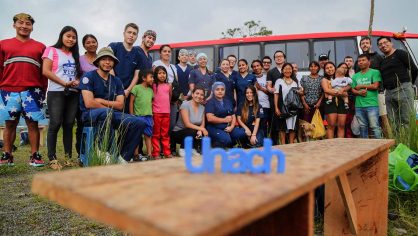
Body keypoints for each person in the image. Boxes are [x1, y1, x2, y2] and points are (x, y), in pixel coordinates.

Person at [78, 47, 145, 162]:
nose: (107, 62)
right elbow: (89, 103)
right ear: (98, 61)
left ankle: (122, 157)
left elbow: (120, 105)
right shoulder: (88, 77)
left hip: (111, 113)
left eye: (110, 60)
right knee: (107, 112)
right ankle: (104, 151)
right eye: (104, 59)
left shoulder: (117, 81)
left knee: (138, 122)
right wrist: (109, 107)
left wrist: (100, 100)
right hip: (90, 114)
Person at [0, 13, 47, 166]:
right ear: (14, 25)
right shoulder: (3, 44)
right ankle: (7, 155)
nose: (24, 26)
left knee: (32, 124)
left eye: (28, 24)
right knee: (9, 124)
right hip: (8, 90)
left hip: (33, 91)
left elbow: (44, 72)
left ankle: (35, 155)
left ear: (32, 27)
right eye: (20, 23)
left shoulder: (40, 47)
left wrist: (43, 91)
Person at [42, 26, 81, 169]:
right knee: (55, 123)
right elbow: (45, 71)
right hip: (56, 91)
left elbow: (77, 73)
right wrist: (64, 83)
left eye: (74, 37)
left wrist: (76, 80)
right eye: (68, 36)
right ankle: (52, 158)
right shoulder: (51, 50)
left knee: (69, 125)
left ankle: (68, 157)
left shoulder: (75, 55)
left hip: (73, 93)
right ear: (62, 36)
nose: (71, 39)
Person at [377, 36, 417, 130]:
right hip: (389, 93)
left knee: (407, 119)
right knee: (393, 120)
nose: (383, 45)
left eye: (385, 42)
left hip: (403, 89)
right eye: (380, 44)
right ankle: (398, 142)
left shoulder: (400, 53)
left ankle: (409, 143)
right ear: (379, 47)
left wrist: (409, 84)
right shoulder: (383, 61)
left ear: (391, 43)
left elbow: (414, 69)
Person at [108, 23, 141, 111]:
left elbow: (137, 75)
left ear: (137, 36)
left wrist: (128, 90)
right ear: (124, 33)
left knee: (124, 121)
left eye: (134, 33)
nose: (131, 35)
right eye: (129, 32)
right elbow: (108, 66)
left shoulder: (138, 53)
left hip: (127, 94)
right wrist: (118, 87)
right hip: (112, 90)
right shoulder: (114, 46)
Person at [76, 34, 98, 161]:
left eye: (93, 42)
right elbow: (76, 77)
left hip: (98, 95)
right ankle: (81, 153)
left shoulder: (101, 59)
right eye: (88, 42)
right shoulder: (80, 59)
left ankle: (96, 151)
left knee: (97, 125)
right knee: (82, 125)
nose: (91, 44)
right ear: (84, 45)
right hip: (83, 96)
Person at [205, 82, 246, 148]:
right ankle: (215, 143)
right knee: (226, 140)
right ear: (213, 91)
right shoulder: (210, 102)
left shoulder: (228, 101)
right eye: (217, 89)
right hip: (215, 128)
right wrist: (224, 120)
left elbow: (233, 116)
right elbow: (210, 118)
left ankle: (227, 142)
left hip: (227, 127)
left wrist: (232, 126)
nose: (220, 91)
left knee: (242, 133)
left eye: (222, 89)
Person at [351, 54, 382, 139]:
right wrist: (359, 93)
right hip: (359, 106)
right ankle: (365, 148)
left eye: (363, 60)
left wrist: (361, 86)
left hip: (372, 105)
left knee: (375, 127)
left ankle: (379, 148)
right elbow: (352, 90)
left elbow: (376, 86)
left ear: (369, 62)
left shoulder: (375, 72)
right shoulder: (355, 75)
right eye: (359, 61)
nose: (361, 62)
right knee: (362, 127)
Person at [171, 87, 208, 156]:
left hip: (193, 132)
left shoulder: (202, 107)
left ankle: (193, 148)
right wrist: (201, 129)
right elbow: (187, 124)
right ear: (193, 94)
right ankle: (183, 149)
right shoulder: (185, 105)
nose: (199, 96)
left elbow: (202, 124)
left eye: (201, 95)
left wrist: (200, 130)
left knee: (201, 131)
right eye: (197, 93)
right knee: (192, 129)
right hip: (179, 133)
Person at [321, 62, 350, 138]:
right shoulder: (324, 79)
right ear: (324, 70)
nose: (329, 69)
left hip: (342, 102)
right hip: (330, 102)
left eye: (331, 67)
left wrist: (343, 90)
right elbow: (326, 90)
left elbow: (349, 86)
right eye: (327, 68)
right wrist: (341, 92)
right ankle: (330, 146)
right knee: (331, 126)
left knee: (341, 125)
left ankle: (340, 146)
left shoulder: (342, 77)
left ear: (335, 67)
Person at [129, 70, 154, 160]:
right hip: (138, 116)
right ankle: (135, 155)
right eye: (151, 77)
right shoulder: (136, 88)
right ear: (143, 78)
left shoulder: (151, 90)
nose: (152, 79)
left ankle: (149, 154)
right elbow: (131, 102)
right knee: (137, 136)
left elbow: (151, 103)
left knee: (148, 136)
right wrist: (132, 115)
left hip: (148, 116)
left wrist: (152, 115)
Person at [274, 63, 300, 144]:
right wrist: (276, 107)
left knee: (292, 127)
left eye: (289, 69)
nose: (287, 70)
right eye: (285, 69)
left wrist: (301, 91)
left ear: (292, 71)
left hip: (293, 108)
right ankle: (283, 145)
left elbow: (299, 92)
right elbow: (276, 94)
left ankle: (291, 144)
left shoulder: (295, 82)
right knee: (282, 128)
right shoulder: (279, 81)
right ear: (282, 70)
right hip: (282, 108)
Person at [151, 66, 172, 159]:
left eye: (164, 73)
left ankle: (167, 152)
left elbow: (169, 97)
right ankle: (156, 153)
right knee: (156, 134)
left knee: (165, 134)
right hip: (156, 113)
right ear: (156, 75)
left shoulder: (169, 85)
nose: (162, 75)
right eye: (159, 73)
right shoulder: (153, 85)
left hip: (166, 113)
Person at [267, 50, 286, 145]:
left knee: (286, 123)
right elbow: (269, 86)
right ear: (274, 59)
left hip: (287, 101)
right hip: (274, 101)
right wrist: (271, 90)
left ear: (284, 58)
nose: (279, 58)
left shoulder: (288, 69)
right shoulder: (271, 72)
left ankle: (287, 144)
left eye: (280, 56)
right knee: (274, 123)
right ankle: (274, 144)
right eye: (276, 56)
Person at [252, 59, 270, 136]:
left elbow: (271, 92)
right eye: (254, 66)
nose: (256, 68)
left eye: (258, 66)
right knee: (255, 126)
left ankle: (264, 143)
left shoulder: (267, 77)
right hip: (254, 106)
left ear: (262, 66)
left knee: (264, 126)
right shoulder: (251, 78)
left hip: (265, 105)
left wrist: (260, 88)